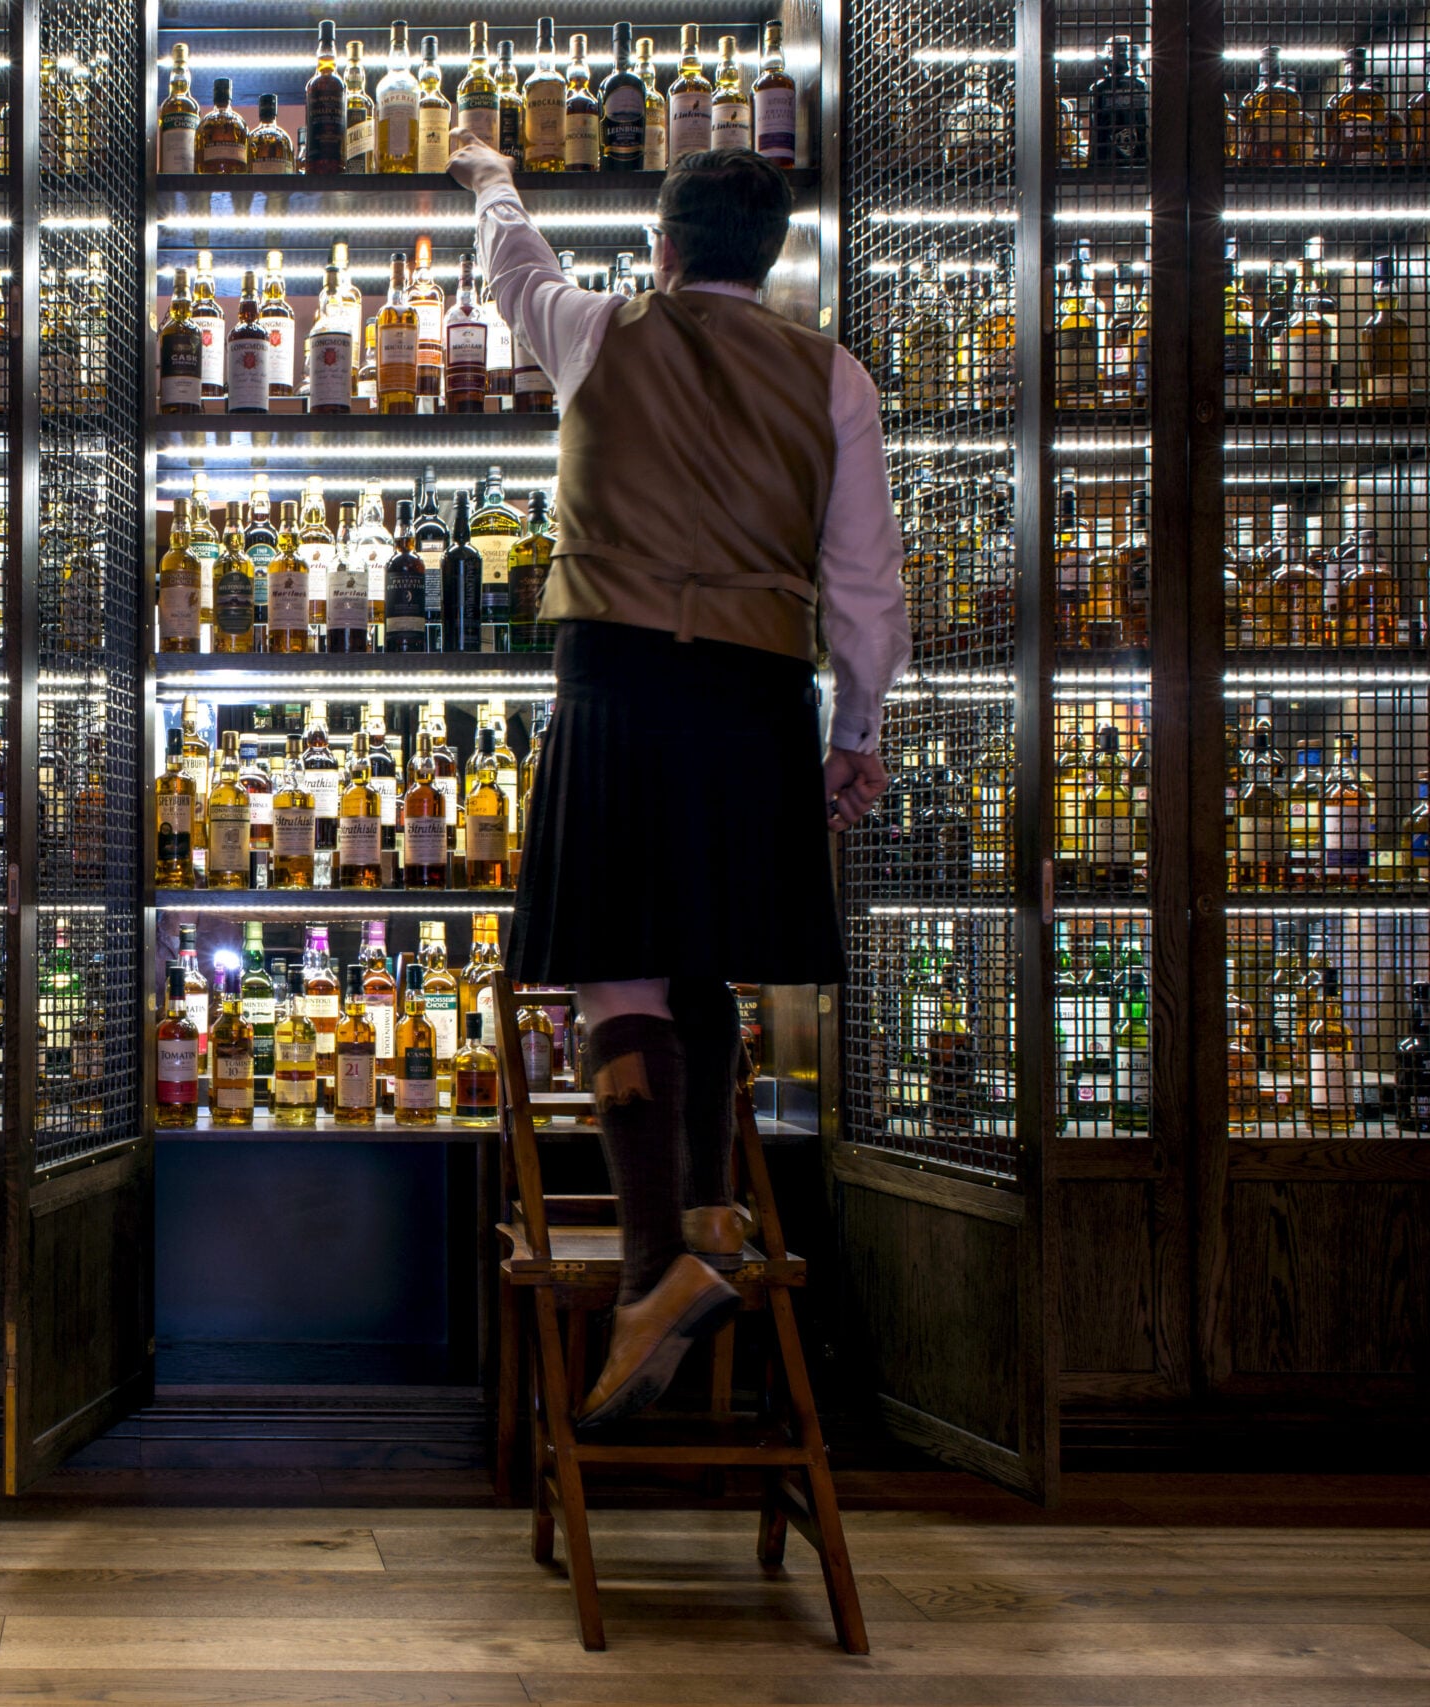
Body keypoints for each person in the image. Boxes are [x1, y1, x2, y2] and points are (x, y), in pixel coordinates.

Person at [449, 135, 907, 1426]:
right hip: (759, 697)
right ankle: (706, 1219)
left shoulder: (601, 331)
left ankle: (656, 1271)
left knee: (618, 972)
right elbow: (865, 581)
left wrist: (492, 181)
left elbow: (516, 274)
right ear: (768, 261)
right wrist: (856, 730)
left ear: (662, 246)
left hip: (621, 680)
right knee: (703, 963)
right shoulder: (833, 376)